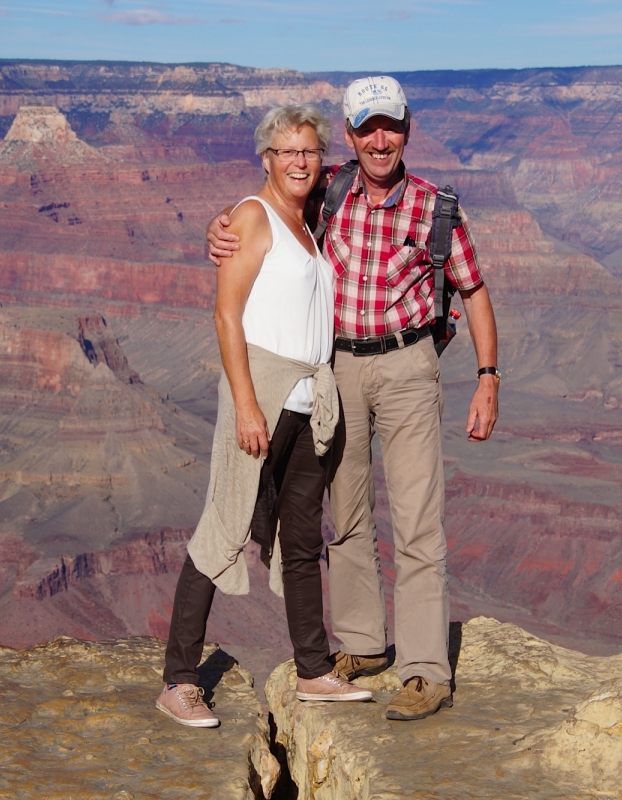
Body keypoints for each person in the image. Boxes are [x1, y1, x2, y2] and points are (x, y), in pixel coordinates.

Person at [208, 76, 500, 721]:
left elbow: (473, 291)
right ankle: (365, 645)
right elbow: (265, 213)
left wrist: (487, 377)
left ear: (406, 129)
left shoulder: (437, 208)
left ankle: (426, 669)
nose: (379, 140)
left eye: (389, 127)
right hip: (336, 367)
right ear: (350, 133)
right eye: (366, 128)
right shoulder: (328, 190)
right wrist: (219, 227)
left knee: (420, 519)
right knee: (348, 512)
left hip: (408, 365)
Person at [158, 104, 373, 728]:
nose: (300, 161)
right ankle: (178, 680)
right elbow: (227, 315)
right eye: (287, 151)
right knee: (224, 525)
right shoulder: (252, 218)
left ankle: (313, 671)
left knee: (301, 538)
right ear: (267, 159)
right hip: (263, 392)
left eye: (309, 150)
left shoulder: (309, 224)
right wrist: (247, 403)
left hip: (310, 400)